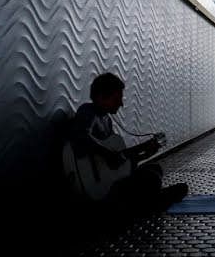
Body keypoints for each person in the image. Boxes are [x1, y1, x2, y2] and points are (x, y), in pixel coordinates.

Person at [67, 73, 188, 213]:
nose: (121, 103)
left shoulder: (107, 120)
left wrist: (144, 155)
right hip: (100, 187)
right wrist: (109, 154)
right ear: (101, 97)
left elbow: (117, 163)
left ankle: (155, 199)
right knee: (152, 178)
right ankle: (155, 201)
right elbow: (79, 136)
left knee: (155, 168)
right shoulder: (87, 111)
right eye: (116, 99)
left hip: (111, 181)